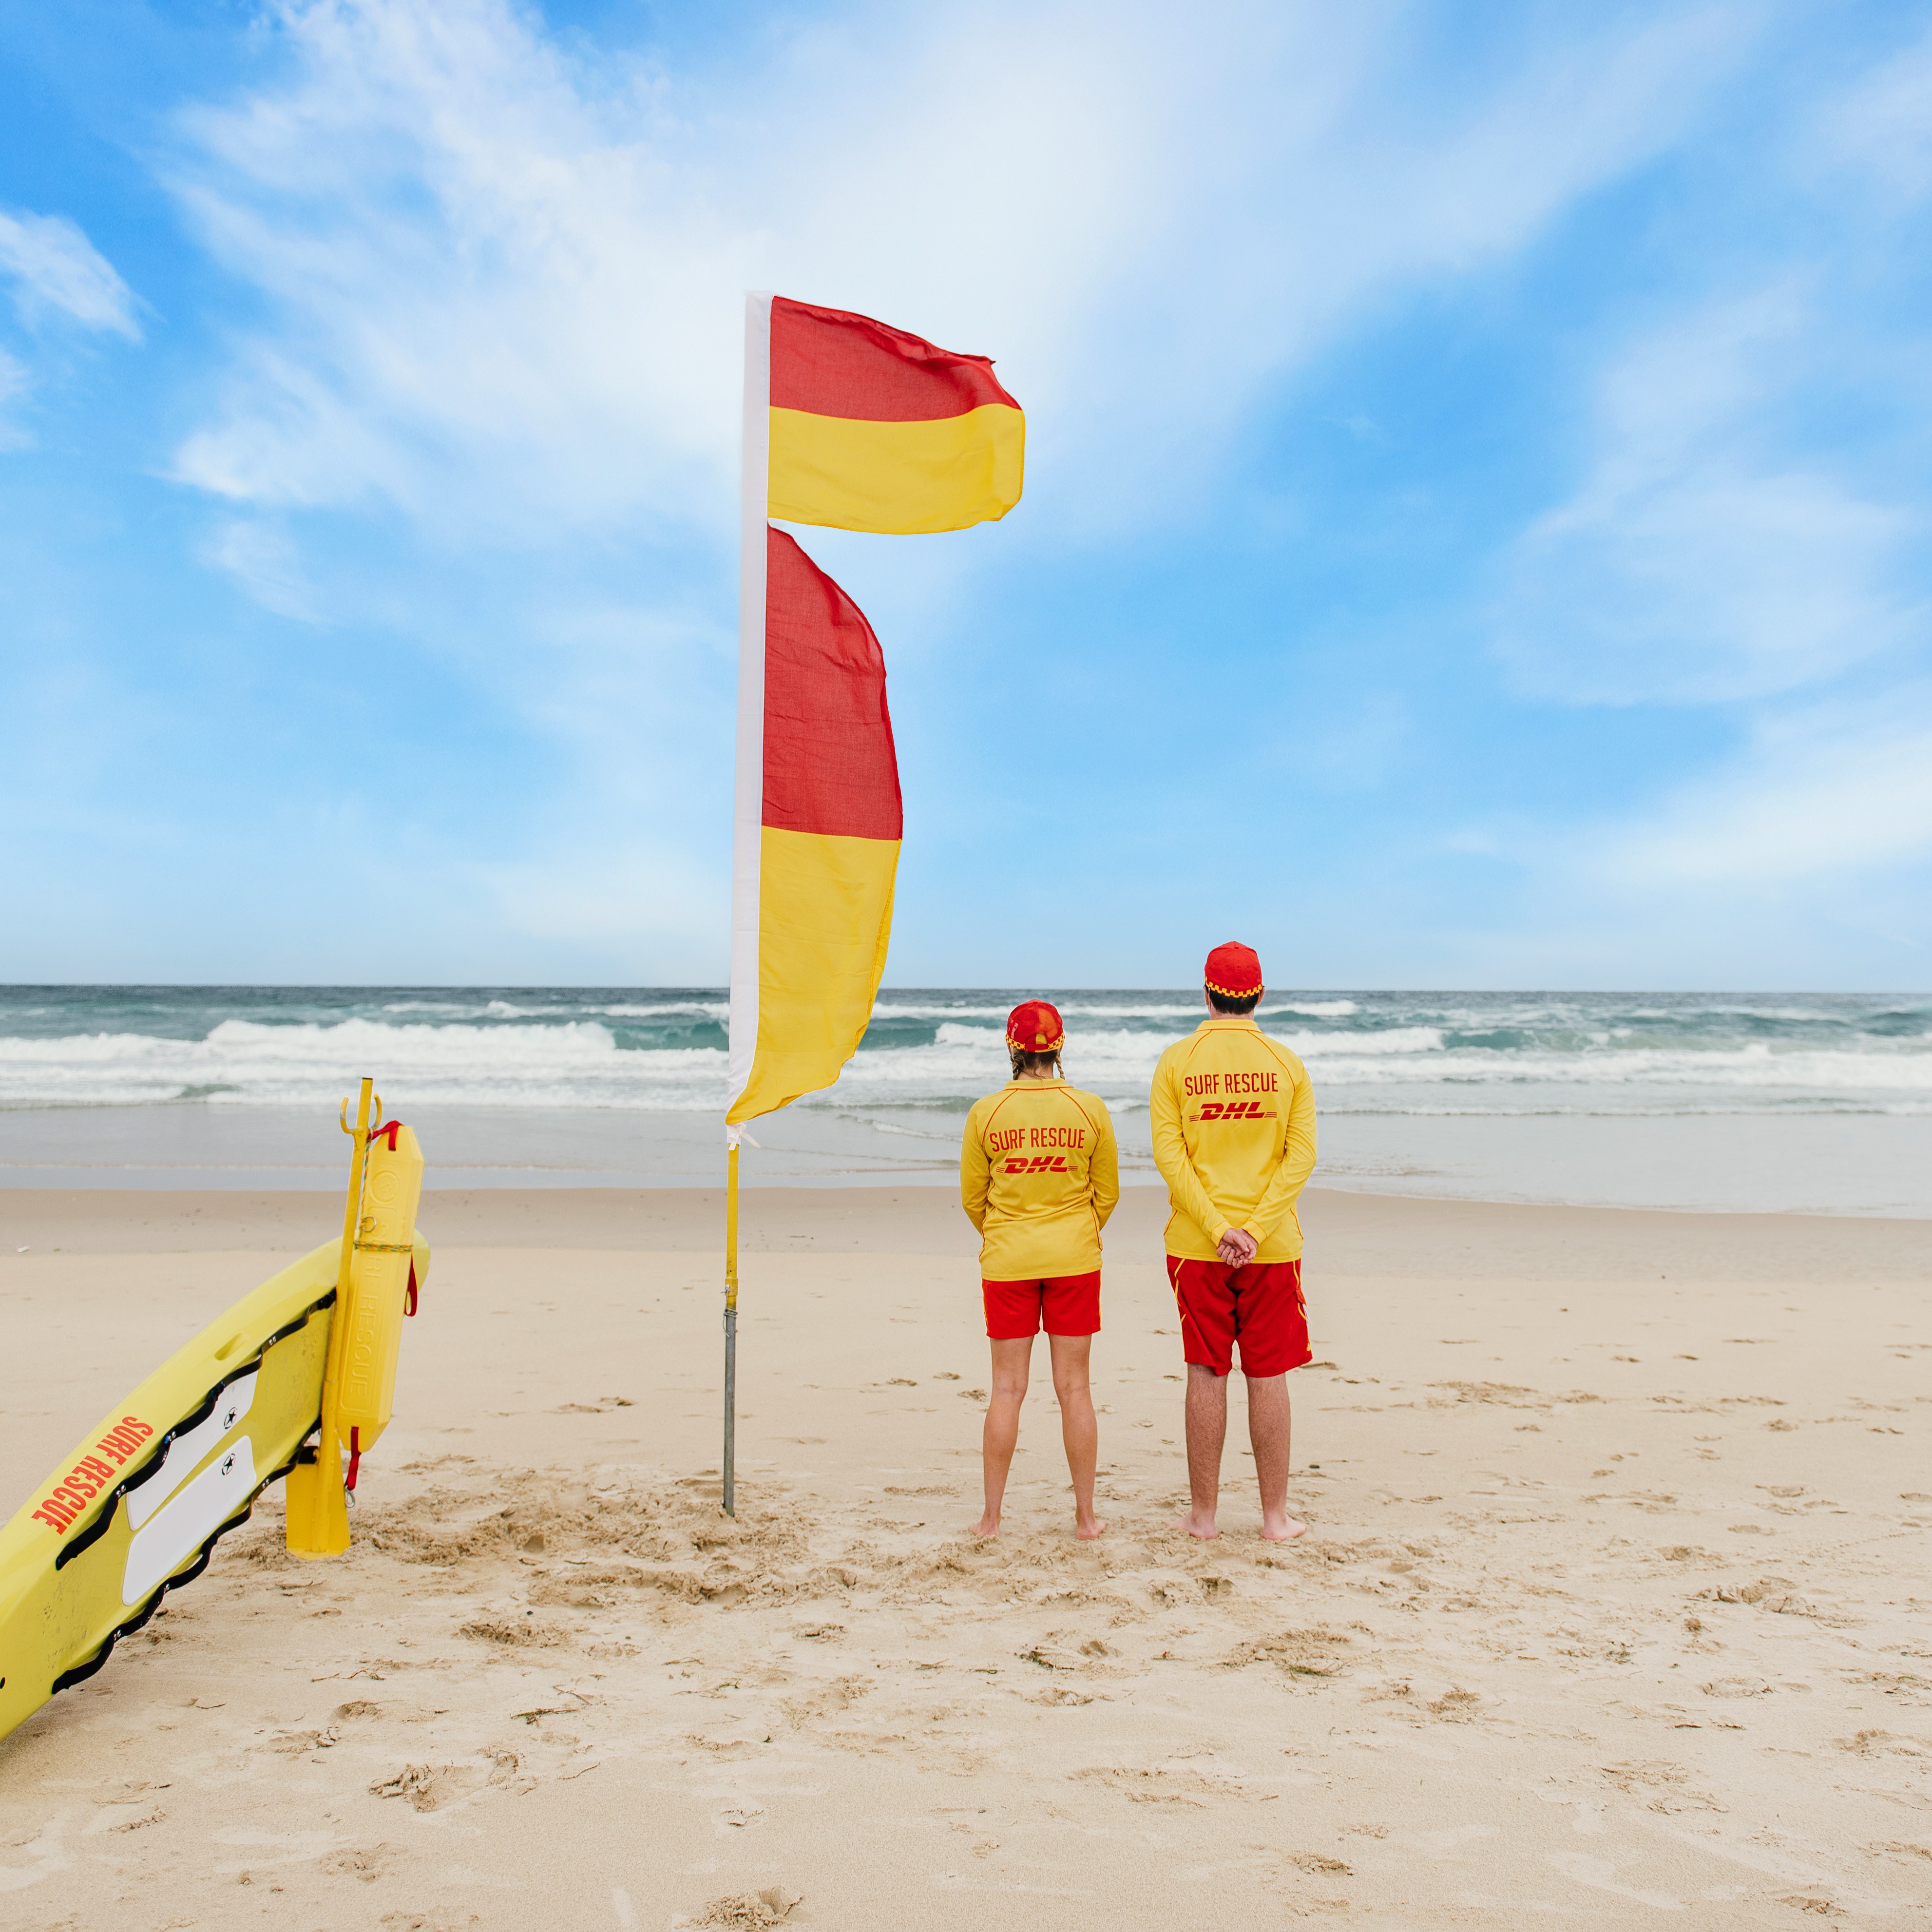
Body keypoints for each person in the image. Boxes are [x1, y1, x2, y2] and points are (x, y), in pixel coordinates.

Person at [1150, 943, 1317, 1541]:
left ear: (1205, 993)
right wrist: (1253, 1230)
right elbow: (1300, 1157)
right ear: (1259, 995)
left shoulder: (1176, 1060)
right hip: (1269, 1247)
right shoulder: (1286, 1062)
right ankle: (1274, 1517)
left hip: (1198, 1245)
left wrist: (1219, 1229)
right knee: (1267, 1372)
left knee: (1205, 1370)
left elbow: (1170, 1158)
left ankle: (1203, 1516)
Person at [959, 1000, 1120, 1540]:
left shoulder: (986, 1112)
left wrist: (1007, 1234)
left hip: (1008, 1261)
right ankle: (1086, 1518)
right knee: (1074, 1388)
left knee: (1006, 1389)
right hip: (1075, 1259)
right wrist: (1074, 1232)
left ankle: (990, 1519)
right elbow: (1106, 1193)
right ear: (1059, 1046)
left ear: (1012, 1047)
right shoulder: (1089, 1108)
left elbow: (973, 1199)